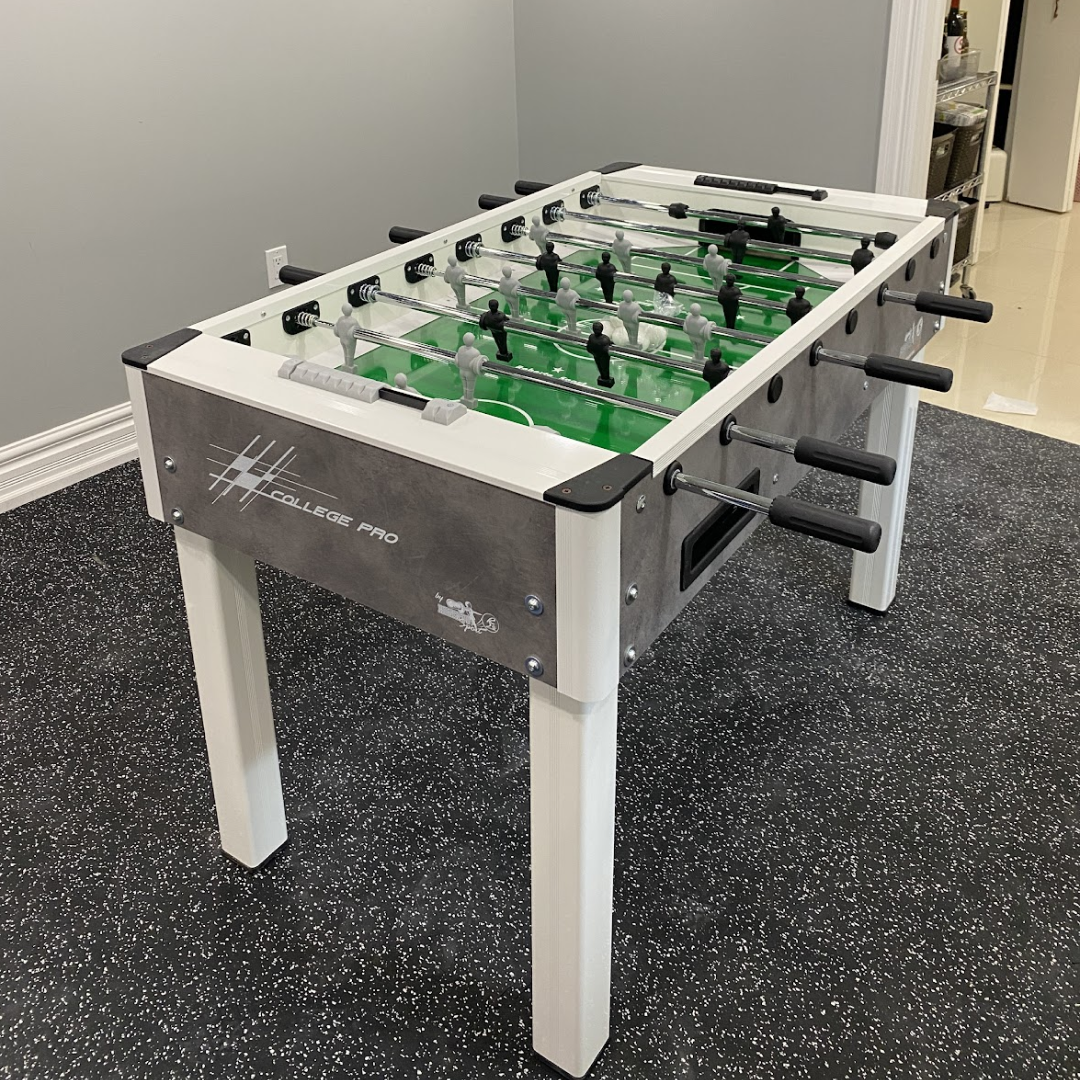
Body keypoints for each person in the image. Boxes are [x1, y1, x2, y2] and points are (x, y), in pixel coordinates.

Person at [454, 332, 485, 407]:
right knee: (470, 387)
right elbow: (478, 362)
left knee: (464, 386)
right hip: (470, 373)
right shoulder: (475, 352)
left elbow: (457, 359)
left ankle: (465, 397)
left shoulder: (460, 349)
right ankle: (469, 399)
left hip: (462, 371)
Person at [586, 321, 615, 387]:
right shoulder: (605, 339)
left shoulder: (592, 337)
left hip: (598, 355)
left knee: (602, 367)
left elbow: (589, 347)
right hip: (601, 356)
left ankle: (605, 377)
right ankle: (605, 377)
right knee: (603, 367)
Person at [333, 303, 360, 368]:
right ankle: (350, 365)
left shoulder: (340, 319)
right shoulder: (353, 321)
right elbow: (359, 329)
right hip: (350, 341)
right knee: (350, 354)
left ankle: (347, 364)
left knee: (345, 352)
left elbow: (336, 329)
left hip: (342, 340)